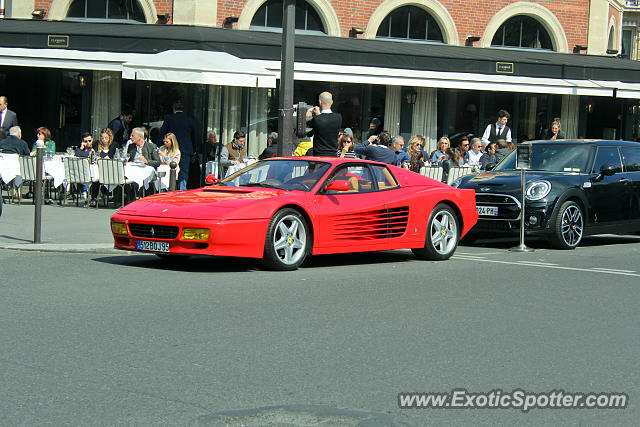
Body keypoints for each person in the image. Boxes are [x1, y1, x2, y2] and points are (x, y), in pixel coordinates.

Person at [160, 100, 197, 190]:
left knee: (169, 169)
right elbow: (194, 136)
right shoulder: (190, 120)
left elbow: (162, 133)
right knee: (183, 173)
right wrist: (194, 149)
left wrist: (160, 145)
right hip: (185, 149)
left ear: (174, 109)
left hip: (171, 149)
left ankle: (168, 189)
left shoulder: (169, 119)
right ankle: (182, 191)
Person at [306, 91, 342, 157]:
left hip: (319, 157)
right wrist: (318, 115)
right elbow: (325, 122)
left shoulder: (317, 119)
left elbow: (309, 133)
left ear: (320, 102)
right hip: (333, 155)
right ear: (332, 102)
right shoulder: (338, 118)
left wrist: (309, 116)